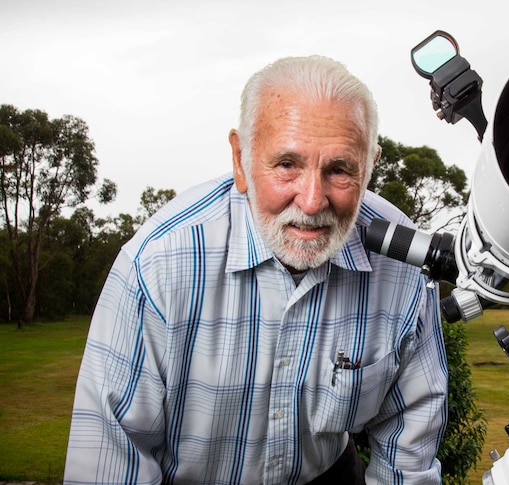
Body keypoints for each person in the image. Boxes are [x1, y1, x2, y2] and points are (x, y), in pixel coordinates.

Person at [65, 55, 448, 484]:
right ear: (240, 158)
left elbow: (409, 441)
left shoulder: (400, 259)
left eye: (339, 170)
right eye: (287, 165)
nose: (311, 201)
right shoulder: (158, 263)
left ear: (370, 164)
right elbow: (110, 462)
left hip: (326, 475)